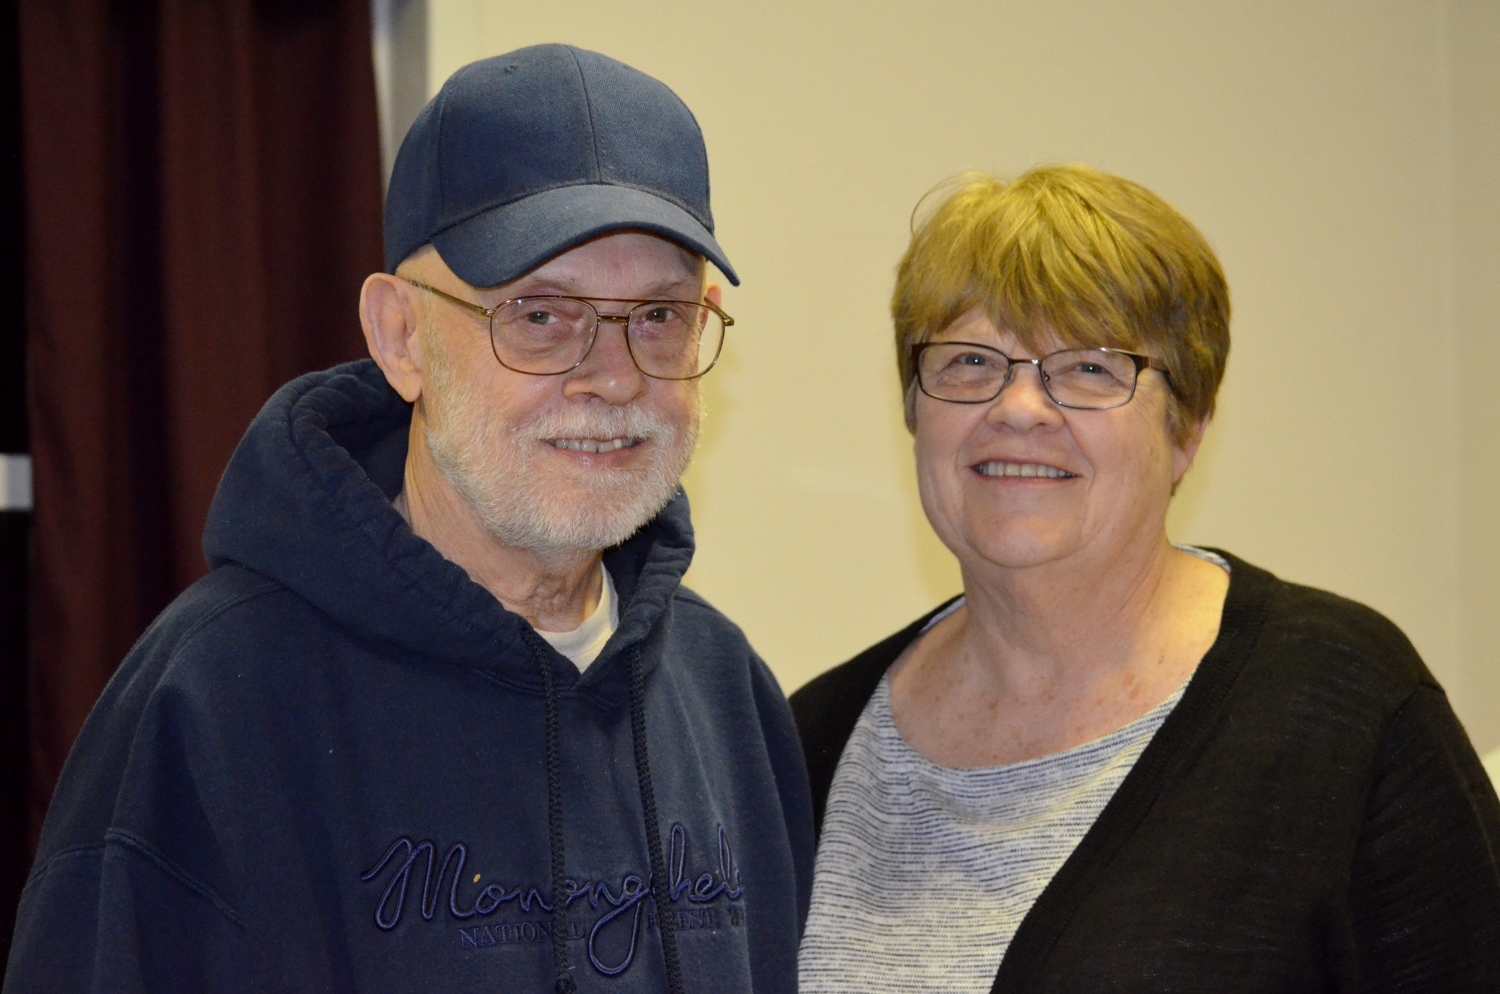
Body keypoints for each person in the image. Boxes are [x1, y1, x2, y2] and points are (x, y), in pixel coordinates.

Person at [6, 45, 812, 994]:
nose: (614, 376)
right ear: (400, 337)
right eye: (540, 315)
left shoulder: (728, 700)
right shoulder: (208, 709)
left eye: (660, 316)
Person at [791, 165, 1500, 992]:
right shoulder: (810, 743)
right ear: (915, 410)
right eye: (971, 361)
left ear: (1188, 427)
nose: (1019, 407)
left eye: (1091, 367)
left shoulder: (1345, 707)